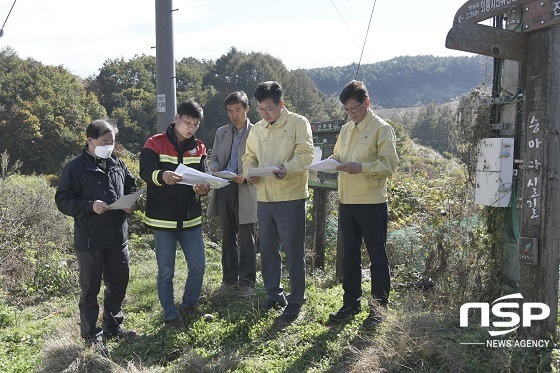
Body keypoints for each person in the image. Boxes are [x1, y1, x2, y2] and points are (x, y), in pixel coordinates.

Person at [55, 119, 138, 351]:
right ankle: (91, 334)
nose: (109, 146)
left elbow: (131, 186)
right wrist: (89, 206)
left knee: (118, 284)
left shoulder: (117, 164)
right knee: (90, 289)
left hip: (117, 237)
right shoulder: (75, 168)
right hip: (90, 241)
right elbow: (63, 200)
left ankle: (113, 326)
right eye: (104, 142)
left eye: (112, 142)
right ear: (90, 141)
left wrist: (131, 202)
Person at [328, 80, 399, 326]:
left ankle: (378, 310)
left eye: (355, 108)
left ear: (367, 102)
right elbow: (338, 155)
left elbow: (389, 165)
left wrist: (363, 168)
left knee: (377, 257)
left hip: (371, 202)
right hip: (347, 201)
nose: (351, 113)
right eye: (347, 110)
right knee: (349, 256)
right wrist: (329, 162)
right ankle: (351, 303)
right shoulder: (346, 129)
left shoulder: (382, 128)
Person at [242, 81, 314, 321]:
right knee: (269, 250)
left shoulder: (298, 123)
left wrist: (287, 168)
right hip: (264, 198)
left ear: (281, 104)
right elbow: (249, 156)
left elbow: (306, 154)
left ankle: (296, 299)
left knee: (293, 251)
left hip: (291, 196)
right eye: (260, 109)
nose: (265, 113)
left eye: (269, 109)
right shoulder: (257, 129)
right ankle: (274, 294)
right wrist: (249, 171)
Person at [140, 99, 212, 329]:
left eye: (195, 124)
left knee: (198, 265)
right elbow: (145, 171)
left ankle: (190, 304)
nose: (190, 127)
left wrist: (203, 188)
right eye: (187, 122)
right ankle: (170, 315)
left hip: (191, 217)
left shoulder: (199, 147)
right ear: (176, 118)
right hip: (163, 219)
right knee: (166, 271)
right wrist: (162, 176)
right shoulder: (155, 143)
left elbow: (202, 176)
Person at [207, 91, 257, 297]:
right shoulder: (222, 132)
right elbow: (215, 157)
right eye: (230, 111)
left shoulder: (257, 132)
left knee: (246, 236)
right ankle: (228, 280)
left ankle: (246, 282)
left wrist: (244, 175)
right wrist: (215, 170)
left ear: (246, 109)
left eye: (238, 110)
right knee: (227, 236)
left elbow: (259, 161)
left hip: (245, 187)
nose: (234, 114)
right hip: (224, 186)